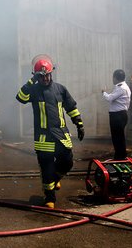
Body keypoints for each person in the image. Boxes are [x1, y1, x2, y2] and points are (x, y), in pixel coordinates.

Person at [16, 55, 84, 209]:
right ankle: (49, 197)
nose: (45, 78)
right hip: (43, 137)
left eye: (47, 75)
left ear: (51, 73)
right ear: (36, 77)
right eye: (41, 76)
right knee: (47, 168)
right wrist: (29, 83)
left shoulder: (60, 89)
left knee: (67, 162)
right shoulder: (33, 90)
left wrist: (79, 123)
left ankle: (54, 179)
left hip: (61, 134)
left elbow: (71, 107)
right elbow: (20, 98)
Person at [102, 69, 131, 160]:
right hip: (120, 115)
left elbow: (110, 98)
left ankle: (120, 156)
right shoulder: (123, 86)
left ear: (115, 78)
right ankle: (120, 155)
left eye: (113, 77)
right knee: (119, 137)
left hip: (118, 116)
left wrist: (103, 92)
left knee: (117, 137)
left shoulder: (121, 88)